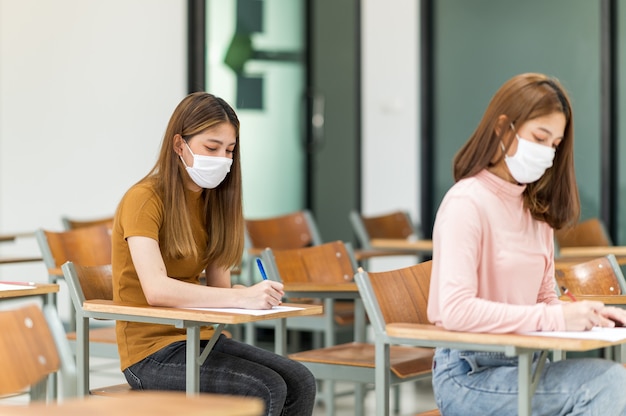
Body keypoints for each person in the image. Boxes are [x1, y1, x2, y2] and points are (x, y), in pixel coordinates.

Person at [427, 73, 626, 415]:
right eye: (540, 137)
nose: (548, 152)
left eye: (555, 144)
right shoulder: (466, 203)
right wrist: (557, 319)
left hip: (524, 365)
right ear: (503, 128)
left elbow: (544, 300)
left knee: (612, 381)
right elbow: (456, 311)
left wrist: (585, 315)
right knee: (606, 384)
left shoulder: (535, 212)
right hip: (469, 375)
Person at [111, 92, 316, 415]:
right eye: (211, 147)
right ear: (179, 145)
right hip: (150, 354)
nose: (222, 158)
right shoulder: (144, 198)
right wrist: (241, 297)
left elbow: (219, 292)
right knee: (266, 387)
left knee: (301, 380)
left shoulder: (215, 203)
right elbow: (156, 290)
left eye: (230, 149)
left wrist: (246, 294)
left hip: (202, 340)